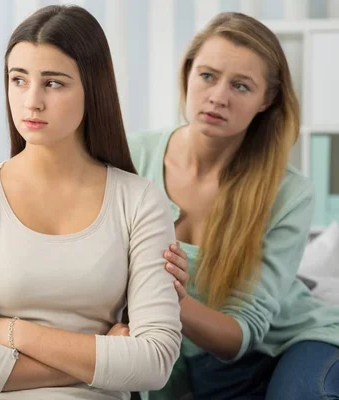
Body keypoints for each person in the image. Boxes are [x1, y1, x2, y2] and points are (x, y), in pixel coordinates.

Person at [0, 5, 182, 399]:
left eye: (54, 83)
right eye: (18, 80)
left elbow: (154, 361)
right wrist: (98, 358)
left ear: (92, 87)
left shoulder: (140, 201)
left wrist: (10, 330)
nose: (31, 102)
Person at [127, 12, 339, 400]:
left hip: (290, 343)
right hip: (192, 360)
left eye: (241, 86)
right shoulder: (131, 156)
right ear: (188, 73)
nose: (218, 97)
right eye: (207, 75)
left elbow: (241, 333)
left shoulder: (289, 193)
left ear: (267, 99)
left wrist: (169, 298)